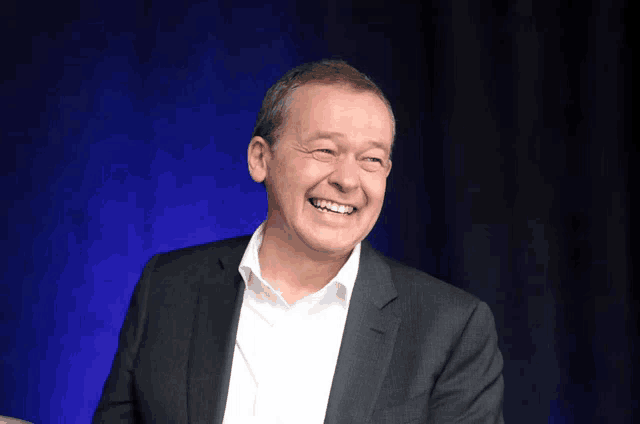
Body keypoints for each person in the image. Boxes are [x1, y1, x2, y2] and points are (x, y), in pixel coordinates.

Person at [93, 59, 504, 423]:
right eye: (325, 150)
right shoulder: (166, 287)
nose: (347, 179)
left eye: (371, 160)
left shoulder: (451, 328)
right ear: (260, 159)